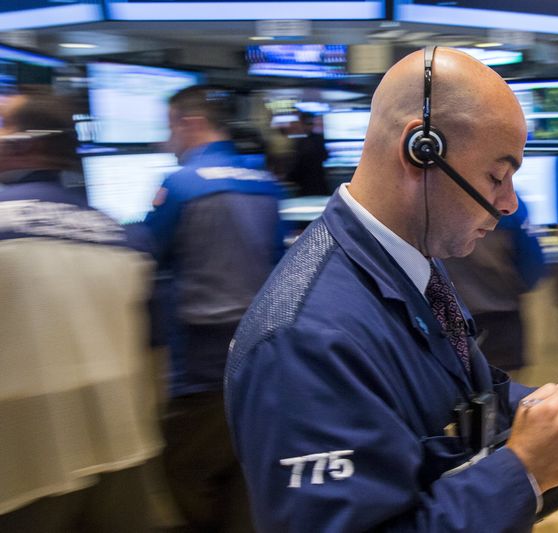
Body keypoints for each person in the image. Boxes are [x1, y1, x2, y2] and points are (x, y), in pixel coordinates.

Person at [225, 47, 558, 532]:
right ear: (421, 150)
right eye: (497, 176)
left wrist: (550, 414)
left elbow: (466, 394)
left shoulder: (410, 264)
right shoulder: (302, 342)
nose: (509, 203)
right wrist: (523, 470)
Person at [0, 92, 162, 531]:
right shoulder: (122, 238)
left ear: (22, 144)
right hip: (121, 451)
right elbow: (152, 349)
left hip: (21, 467)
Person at [145, 84, 285, 532]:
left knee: (185, 477)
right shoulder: (265, 184)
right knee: (244, 477)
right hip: (261, 357)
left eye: (171, 128)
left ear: (190, 123)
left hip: (200, 367)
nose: (169, 141)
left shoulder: (180, 185)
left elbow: (148, 255)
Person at [444, 195, 545, 371]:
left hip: (450, 320)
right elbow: (532, 266)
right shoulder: (509, 205)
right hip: (501, 321)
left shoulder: (434, 198)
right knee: (505, 391)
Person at [287, 111, 329, 196]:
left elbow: (298, 165)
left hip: (307, 186)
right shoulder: (318, 139)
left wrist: (289, 178)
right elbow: (325, 156)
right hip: (319, 184)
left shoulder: (301, 142)